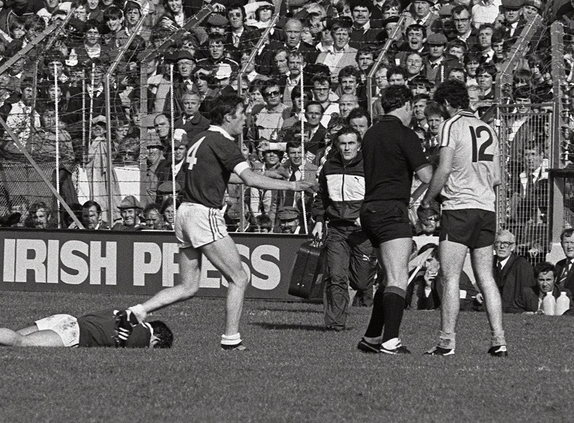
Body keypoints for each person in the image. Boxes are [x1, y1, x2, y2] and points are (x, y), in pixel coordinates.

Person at [114, 95, 316, 351]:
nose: (245, 118)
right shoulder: (223, 141)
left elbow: (218, 175)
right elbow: (250, 180)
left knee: (188, 286)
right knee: (239, 277)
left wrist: (264, 174)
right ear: (228, 116)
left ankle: (136, 312)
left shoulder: (199, 137)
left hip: (184, 212)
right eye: (242, 113)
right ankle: (231, 340)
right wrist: (293, 185)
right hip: (203, 214)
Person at [422, 79, 507, 357]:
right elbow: (496, 177)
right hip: (486, 208)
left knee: (450, 277)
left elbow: (444, 168)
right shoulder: (487, 128)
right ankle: (499, 340)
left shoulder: (450, 125)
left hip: (459, 208)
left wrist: (426, 200)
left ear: (447, 104)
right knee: (486, 276)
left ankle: (446, 342)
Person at [355, 84, 432, 356]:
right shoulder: (406, 134)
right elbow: (425, 176)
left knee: (388, 277)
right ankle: (391, 341)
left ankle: (372, 337)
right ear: (407, 105)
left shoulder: (371, 133)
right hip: (392, 211)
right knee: (399, 277)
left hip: (370, 210)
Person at [312, 126, 375, 331]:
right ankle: (335, 324)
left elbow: (377, 196)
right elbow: (321, 196)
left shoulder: (370, 166)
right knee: (336, 277)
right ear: (337, 145)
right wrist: (319, 220)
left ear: (358, 145)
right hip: (337, 229)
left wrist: (366, 217)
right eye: (343, 143)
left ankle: (354, 285)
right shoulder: (329, 167)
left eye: (351, 143)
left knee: (361, 282)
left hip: (362, 232)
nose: (347, 148)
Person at [0, 312, 172, 349]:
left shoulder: (129, 312)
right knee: (21, 343)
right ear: (157, 339)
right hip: (74, 333)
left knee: (11, 336)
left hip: (67, 318)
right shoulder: (145, 334)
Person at [493, 229, 535, 313]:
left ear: (512, 247)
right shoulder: (489, 263)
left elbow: (527, 292)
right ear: (494, 245)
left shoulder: (522, 265)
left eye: (506, 243)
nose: (501, 246)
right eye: (498, 242)